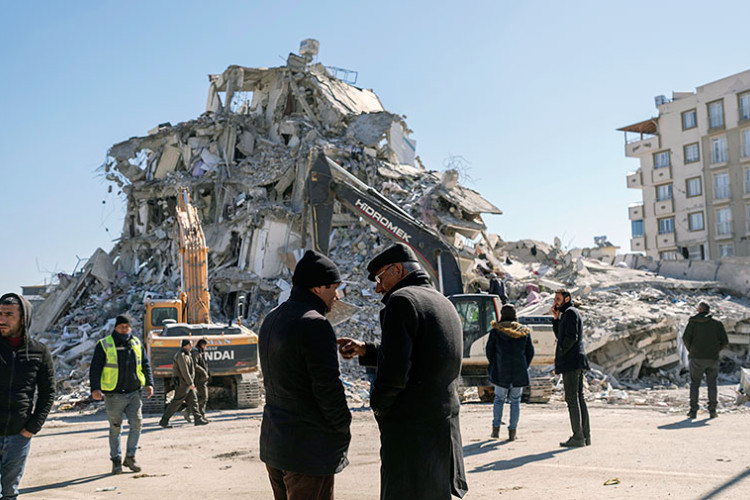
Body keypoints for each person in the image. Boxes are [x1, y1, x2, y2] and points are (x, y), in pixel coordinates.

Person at [338, 243, 468, 500]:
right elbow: (423, 355)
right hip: (442, 426)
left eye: (379, 278)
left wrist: (380, 406)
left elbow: (396, 370)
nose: (378, 288)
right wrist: (366, 350)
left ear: (397, 270)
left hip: (411, 431)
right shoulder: (442, 301)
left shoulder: (402, 301)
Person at [259, 250, 351, 500]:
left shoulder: (272, 318)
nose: (337, 295)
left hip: (275, 444)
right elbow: (328, 389)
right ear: (318, 288)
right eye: (334, 287)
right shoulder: (315, 324)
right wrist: (344, 425)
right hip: (307, 450)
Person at [0, 293, 55, 499]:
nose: (2, 319)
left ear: (23, 319)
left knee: (10, 492)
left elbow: (48, 392)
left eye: (8, 315)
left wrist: (32, 427)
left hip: (18, 435)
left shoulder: (39, 352)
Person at [90, 313, 154, 474]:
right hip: (114, 395)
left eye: (127, 326)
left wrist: (149, 383)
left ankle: (130, 457)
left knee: (137, 425)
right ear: (116, 327)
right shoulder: (104, 344)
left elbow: (145, 364)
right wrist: (95, 388)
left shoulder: (136, 343)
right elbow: (95, 368)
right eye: (121, 326)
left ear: (130, 327)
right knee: (116, 428)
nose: (124, 329)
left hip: (134, 393)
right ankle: (116, 461)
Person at [485, 304, 534, 441]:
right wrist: (524, 366)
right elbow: (530, 352)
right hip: (518, 371)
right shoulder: (523, 331)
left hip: (501, 371)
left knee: (499, 399)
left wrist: (495, 364)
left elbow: (490, 351)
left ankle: (495, 430)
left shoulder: (496, 331)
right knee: (515, 401)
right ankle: (512, 432)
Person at [551, 289, 590, 447]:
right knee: (578, 398)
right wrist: (555, 319)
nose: (556, 302)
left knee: (572, 399)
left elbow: (570, 338)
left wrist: (561, 352)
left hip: (571, 361)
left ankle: (578, 436)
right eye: (555, 299)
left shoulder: (571, 313)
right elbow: (560, 336)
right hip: (575, 361)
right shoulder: (566, 314)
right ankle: (584, 436)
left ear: (567, 299)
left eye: (558, 299)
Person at [682, 302, 728, 419]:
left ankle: (693, 411)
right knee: (712, 384)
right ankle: (712, 411)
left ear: (700, 310)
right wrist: (716, 350)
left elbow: (686, 338)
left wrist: (691, 350)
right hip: (712, 358)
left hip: (696, 357)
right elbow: (725, 341)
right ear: (708, 311)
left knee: (695, 384)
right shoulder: (717, 324)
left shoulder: (693, 322)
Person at [159, 339, 207, 428]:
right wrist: (190, 382)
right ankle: (164, 421)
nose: (191, 346)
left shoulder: (186, 355)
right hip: (182, 384)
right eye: (190, 345)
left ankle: (198, 419)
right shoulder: (181, 355)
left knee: (194, 401)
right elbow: (184, 371)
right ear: (186, 345)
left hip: (186, 384)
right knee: (176, 403)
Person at [190, 339, 210, 422]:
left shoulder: (199, 352)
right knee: (204, 397)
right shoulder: (196, 352)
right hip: (199, 378)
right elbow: (195, 365)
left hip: (201, 378)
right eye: (205, 346)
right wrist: (204, 372)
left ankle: (199, 415)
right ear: (202, 345)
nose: (205, 348)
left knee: (202, 397)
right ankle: (199, 415)